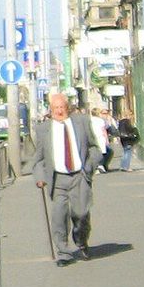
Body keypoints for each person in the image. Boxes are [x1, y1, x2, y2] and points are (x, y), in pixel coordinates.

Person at [32, 91, 99, 266]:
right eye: (56, 108)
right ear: (51, 109)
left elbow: (95, 148)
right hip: (58, 179)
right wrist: (40, 177)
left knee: (81, 214)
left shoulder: (81, 122)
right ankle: (63, 253)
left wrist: (90, 167)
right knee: (58, 216)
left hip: (79, 176)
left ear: (67, 108)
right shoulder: (43, 129)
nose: (59, 111)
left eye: (62, 107)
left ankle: (81, 240)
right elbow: (38, 158)